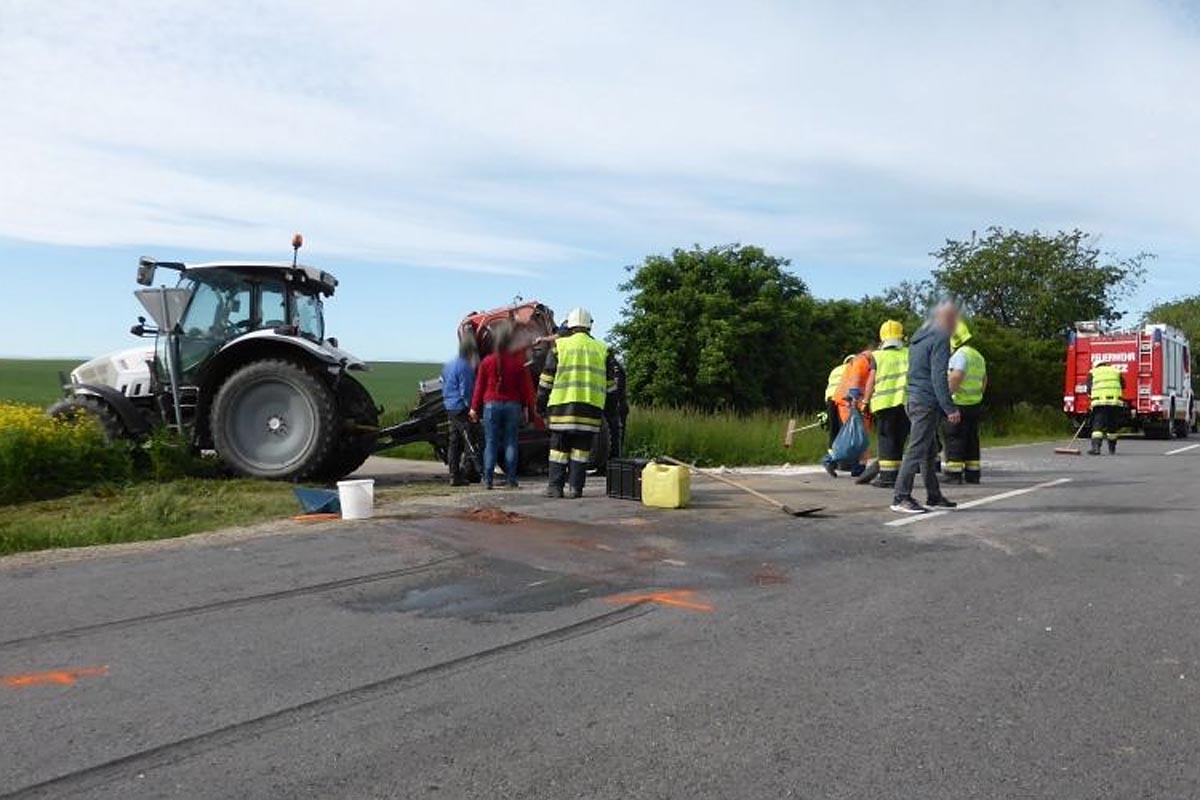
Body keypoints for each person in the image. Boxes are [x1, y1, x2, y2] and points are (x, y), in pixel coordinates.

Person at [537, 307, 618, 498]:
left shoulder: (559, 347)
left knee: (558, 450)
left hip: (561, 409)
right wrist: (610, 411)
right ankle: (576, 488)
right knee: (581, 452)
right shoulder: (603, 350)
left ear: (570, 325)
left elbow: (545, 382)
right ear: (589, 326)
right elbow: (611, 387)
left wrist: (540, 407)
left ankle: (555, 488)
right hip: (590, 410)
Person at [890, 301, 961, 515]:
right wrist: (949, 408)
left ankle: (934, 495)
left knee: (928, 451)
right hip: (926, 402)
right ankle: (901, 497)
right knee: (917, 449)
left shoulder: (918, 338)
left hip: (912, 399)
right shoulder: (940, 337)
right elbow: (938, 376)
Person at [469, 325, 537, 489]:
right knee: (510, 442)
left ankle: (488, 479)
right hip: (513, 406)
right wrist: (530, 411)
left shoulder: (487, 362)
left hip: (491, 405)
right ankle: (511, 479)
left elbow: (479, 387)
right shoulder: (519, 363)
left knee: (491, 442)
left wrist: (474, 408)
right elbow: (527, 389)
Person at [867, 320, 909, 488]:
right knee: (900, 439)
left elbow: (871, 381)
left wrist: (864, 400)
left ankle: (887, 478)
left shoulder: (877, 356)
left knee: (887, 440)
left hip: (884, 404)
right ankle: (896, 475)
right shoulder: (909, 353)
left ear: (882, 338)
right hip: (906, 403)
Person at [944, 320, 987, 483]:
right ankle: (973, 473)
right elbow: (984, 380)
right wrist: (977, 396)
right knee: (971, 440)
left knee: (955, 438)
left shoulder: (960, 355)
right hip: (975, 404)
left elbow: (956, 376)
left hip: (959, 403)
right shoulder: (978, 356)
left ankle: (954, 474)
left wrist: (945, 397)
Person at [823, 349, 875, 479]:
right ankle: (831, 459)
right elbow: (856, 380)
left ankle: (858, 467)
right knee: (854, 436)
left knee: (860, 436)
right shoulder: (862, 361)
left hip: (851, 402)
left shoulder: (861, 361)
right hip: (850, 403)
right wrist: (854, 400)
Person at [441, 335, 479, 486]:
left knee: (454, 443)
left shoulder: (449, 365)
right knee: (469, 440)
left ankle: (454, 475)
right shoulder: (465, 367)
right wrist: (472, 408)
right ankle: (469, 473)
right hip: (460, 408)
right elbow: (466, 391)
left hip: (449, 407)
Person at [1087, 360, 1126, 455]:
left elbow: (1089, 389)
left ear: (1096, 366)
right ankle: (1112, 449)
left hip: (1099, 402)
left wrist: (1091, 400)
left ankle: (1096, 448)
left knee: (1098, 426)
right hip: (1115, 402)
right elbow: (1123, 385)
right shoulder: (1116, 371)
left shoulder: (1092, 372)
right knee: (1112, 425)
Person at [824, 355, 854, 449]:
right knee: (843, 426)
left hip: (829, 398)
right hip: (842, 397)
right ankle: (842, 454)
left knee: (833, 428)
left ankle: (832, 455)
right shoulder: (852, 369)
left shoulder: (835, 370)